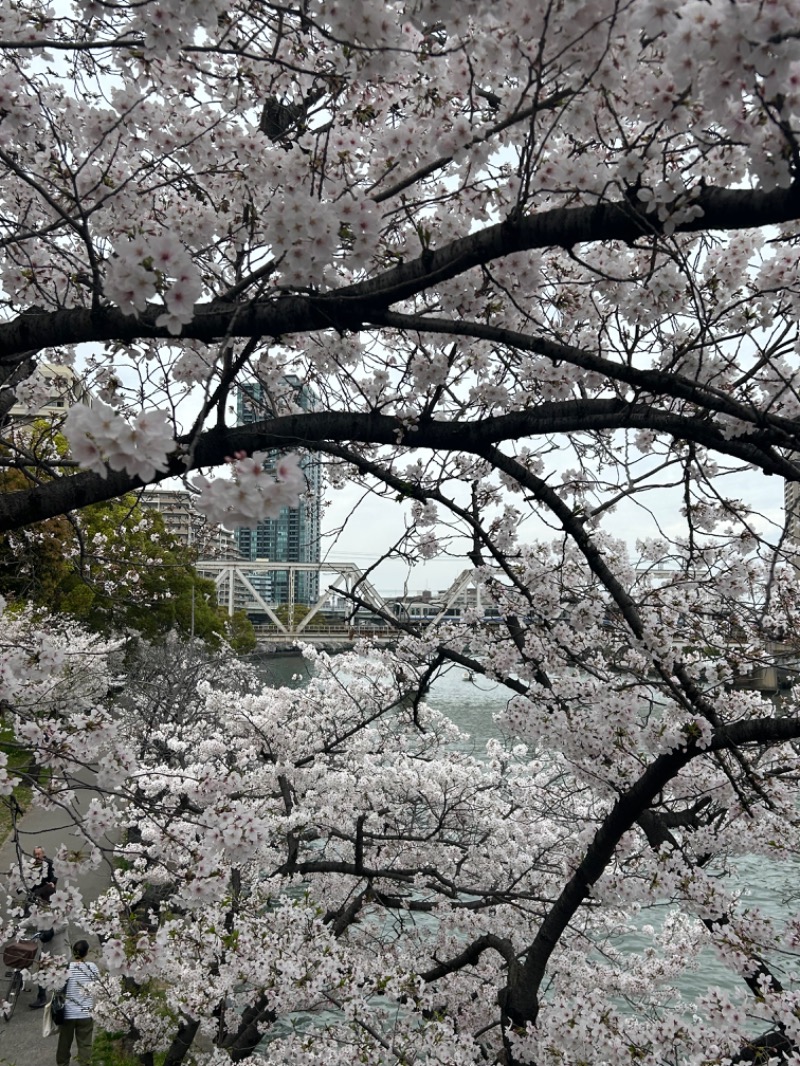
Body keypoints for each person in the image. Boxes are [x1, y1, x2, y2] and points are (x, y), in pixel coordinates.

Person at [56, 940, 100, 1066]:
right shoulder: (92, 967)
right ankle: (85, 1063)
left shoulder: (66, 968)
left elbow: (58, 989)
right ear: (86, 953)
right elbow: (98, 987)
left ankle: (62, 1063)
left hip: (68, 1014)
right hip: (85, 1014)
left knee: (64, 1043)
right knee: (85, 1044)